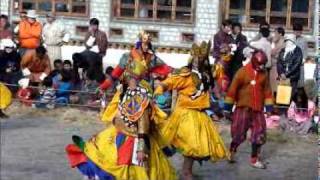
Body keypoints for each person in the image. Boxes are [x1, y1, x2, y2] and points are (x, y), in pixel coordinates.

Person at [65, 31, 176, 180]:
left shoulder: (152, 58)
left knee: (145, 125)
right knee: (120, 125)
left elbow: (167, 70)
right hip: (126, 92)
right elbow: (115, 75)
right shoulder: (127, 56)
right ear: (139, 43)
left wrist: (183, 73)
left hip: (142, 94)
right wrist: (103, 87)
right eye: (143, 43)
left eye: (147, 44)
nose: (145, 46)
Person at [155, 41, 230, 180]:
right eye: (195, 58)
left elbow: (220, 68)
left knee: (197, 146)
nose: (197, 61)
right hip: (185, 113)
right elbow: (171, 81)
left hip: (200, 114)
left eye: (200, 58)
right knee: (192, 144)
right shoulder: (185, 74)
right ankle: (184, 171)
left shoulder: (208, 73)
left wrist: (225, 55)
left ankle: (186, 170)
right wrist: (161, 88)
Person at [224, 50, 273, 169]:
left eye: (263, 64)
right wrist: (227, 108)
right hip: (243, 108)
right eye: (260, 64)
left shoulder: (264, 74)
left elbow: (267, 91)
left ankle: (254, 159)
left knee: (259, 134)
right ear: (254, 62)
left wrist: (269, 107)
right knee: (238, 133)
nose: (262, 67)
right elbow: (232, 90)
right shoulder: (242, 72)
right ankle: (232, 151)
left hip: (258, 110)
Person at [270, 27, 285, 95]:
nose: (274, 35)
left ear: (280, 34)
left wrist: (272, 42)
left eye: (276, 33)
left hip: (277, 66)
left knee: (276, 84)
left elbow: (272, 52)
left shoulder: (281, 43)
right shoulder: (278, 41)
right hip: (274, 65)